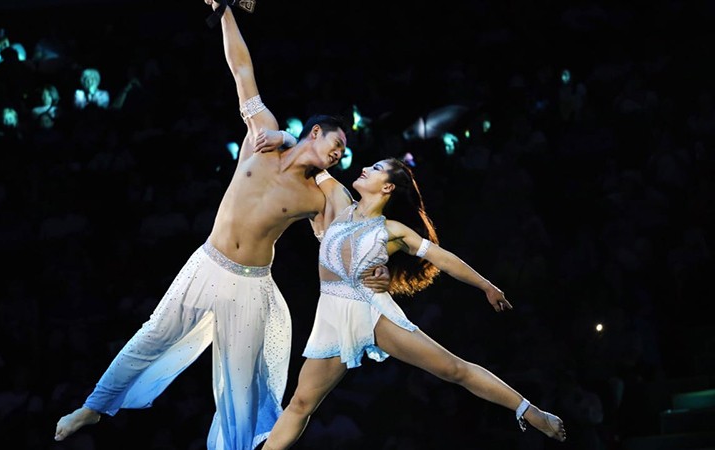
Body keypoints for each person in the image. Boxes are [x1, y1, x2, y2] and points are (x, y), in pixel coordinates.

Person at [53, 3, 390, 449]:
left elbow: (343, 237)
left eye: (343, 153)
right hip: (207, 264)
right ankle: (94, 407)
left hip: (250, 285)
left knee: (240, 390)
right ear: (316, 131)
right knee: (153, 335)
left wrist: (376, 266)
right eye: (337, 142)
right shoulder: (262, 137)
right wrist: (226, 10)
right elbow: (241, 70)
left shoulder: (318, 195)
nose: (339, 153)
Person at [258, 157, 567, 449]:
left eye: (376, 167)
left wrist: (486, 286)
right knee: (300, 403)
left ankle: (531, 412)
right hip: (331, 316)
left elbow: (444, 259)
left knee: (452, 369)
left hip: (370, 311)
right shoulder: (339, 201)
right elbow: (310, 158)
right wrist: (273, 137)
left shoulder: (391, 230)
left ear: (388, 187)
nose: (366, 167)